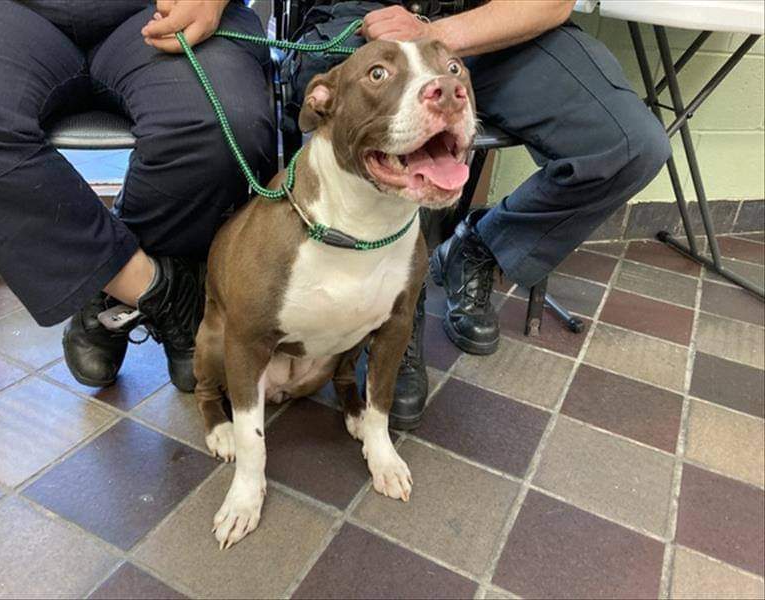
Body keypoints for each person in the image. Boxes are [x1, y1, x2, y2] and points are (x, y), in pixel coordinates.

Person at [282, 0, 671, 428]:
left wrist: (434, 38)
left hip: (491, 26)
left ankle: (478, 247)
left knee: (630, 145)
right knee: (356, 138)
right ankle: (390, 312)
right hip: (364, 20)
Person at [0, 0, 276, 392]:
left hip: (160, 8)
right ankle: (153, 292)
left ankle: (110, 290)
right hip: (6, 14)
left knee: (224, 123)